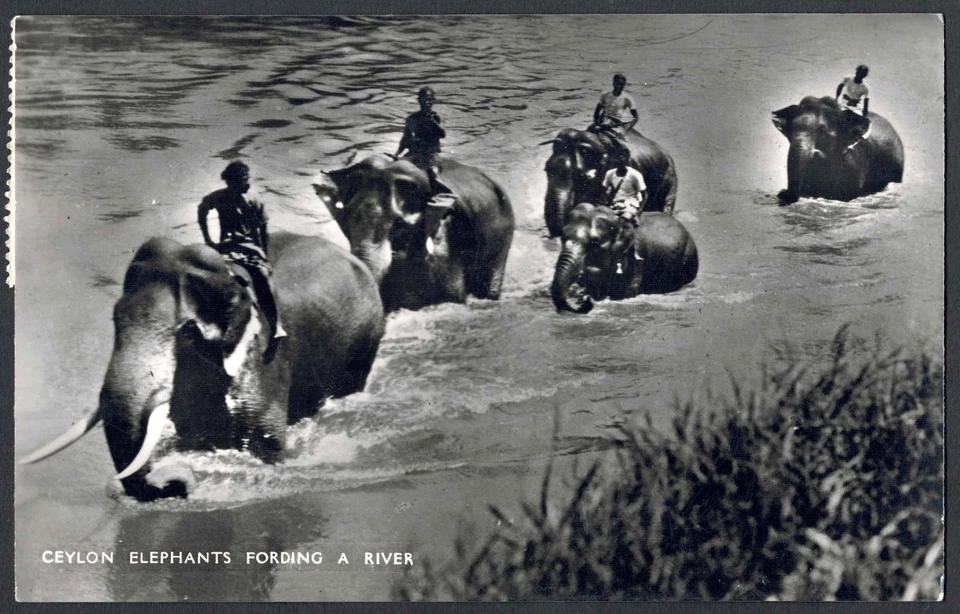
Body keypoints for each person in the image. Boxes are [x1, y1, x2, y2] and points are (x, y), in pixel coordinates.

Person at [198, 161, 286, 353]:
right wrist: (208, 240)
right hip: (225, 248)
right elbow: (202, 209)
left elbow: (263, 232)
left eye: (247, 180)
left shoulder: (253, 201)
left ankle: (275, 326)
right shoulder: (219, 198)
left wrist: (264, 255)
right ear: (231, 182)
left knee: (261, 277)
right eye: (243, 181)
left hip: (249, 248)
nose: (247, 184)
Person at [395, 86, 450, 200]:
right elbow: (405, 139)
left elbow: (442, 134)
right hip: (414, 153)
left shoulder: (437, 117)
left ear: (433, 101)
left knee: (434, 175)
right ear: (419, 100)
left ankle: (443, 197)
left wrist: (432, 121)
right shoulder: (412, 119)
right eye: (424, 99)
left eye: (429, 99)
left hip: (431, 155)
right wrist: (397, 154)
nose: (427, 102)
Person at [592, 73, 638, 165]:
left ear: (624, 85)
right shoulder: (605, 95)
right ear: (613, 83)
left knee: (623, 147)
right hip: (602, 123)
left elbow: (635, 117)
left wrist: (626, 128)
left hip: (616, 125)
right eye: (617, 83)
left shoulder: (627, 98)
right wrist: (597, 124)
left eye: (621, 84)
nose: (619, 86)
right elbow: (597, 112)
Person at [836, 65, 871, 148]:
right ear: (856, 71)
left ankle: (853, 142)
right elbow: (840, 87)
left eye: (862, 74)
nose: (859, 75)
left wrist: (864, 116)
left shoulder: (866, 88)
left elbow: (866, 102)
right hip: (843, 105)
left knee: (866, 125)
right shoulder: (847, 79)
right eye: (858, 72)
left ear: (864, 76)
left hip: (855, 108)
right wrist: (837, 99)